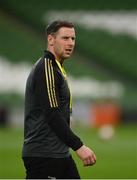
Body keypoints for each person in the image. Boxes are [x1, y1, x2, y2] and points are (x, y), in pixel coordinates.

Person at [22, 20, 96, 179]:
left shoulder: (57, 68)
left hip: (59, 154)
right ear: (50, 39)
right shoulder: (46, 68)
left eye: (73, 39)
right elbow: (52, 114)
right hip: (44, 155)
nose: (70, 43)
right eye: (65, 38)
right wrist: (79, 146)